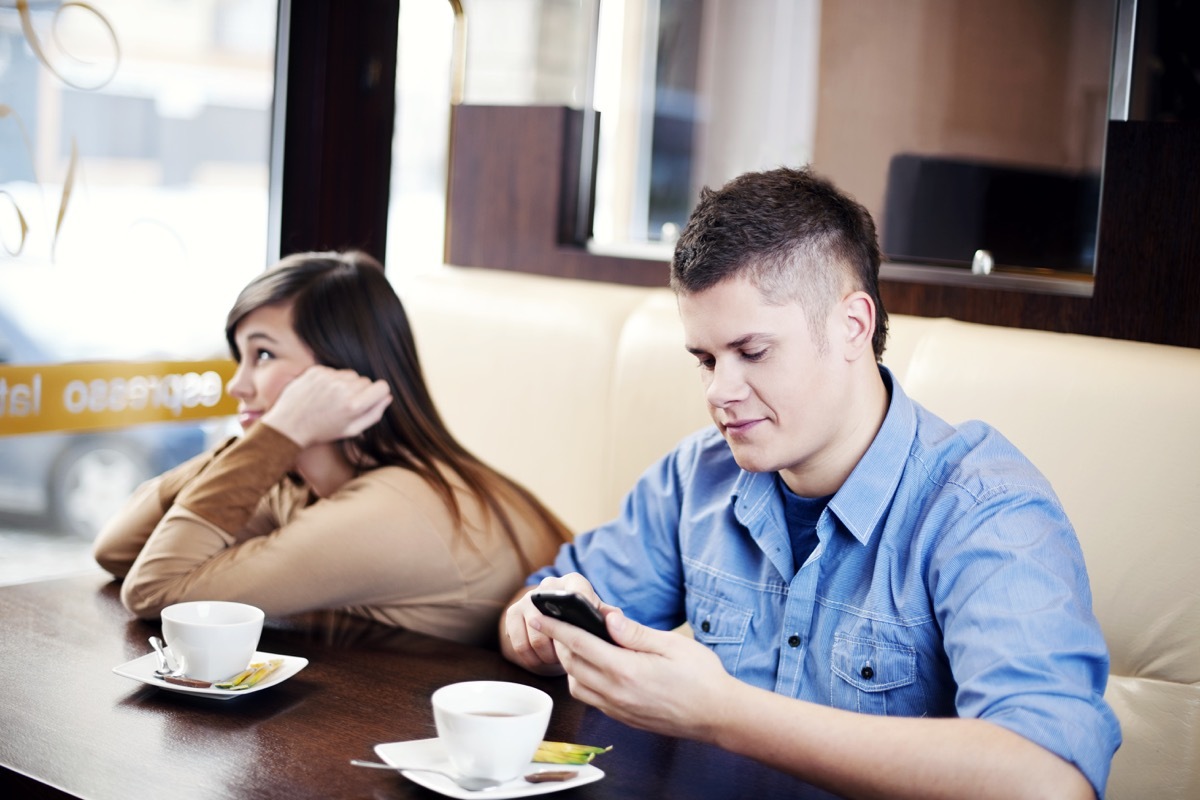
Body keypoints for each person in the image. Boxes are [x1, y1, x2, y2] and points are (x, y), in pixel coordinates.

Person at [500, 167, 1121, 798]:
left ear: (853, 326)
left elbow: (1049, 780)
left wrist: (723, 714)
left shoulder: (985, 508)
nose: (719, 392)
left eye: (753, 352)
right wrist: (536, 629)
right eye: (707, 360)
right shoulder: (698, 475)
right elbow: (532, 602)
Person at [94, 250, 570, 647]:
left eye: (262, 354)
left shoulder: (393, 506)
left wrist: (272, 439)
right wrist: (261, 445)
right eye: (238, 356)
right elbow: (117, 551)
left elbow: (154, 592)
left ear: (341, 371)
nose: (238, 384)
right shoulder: (300, 481)